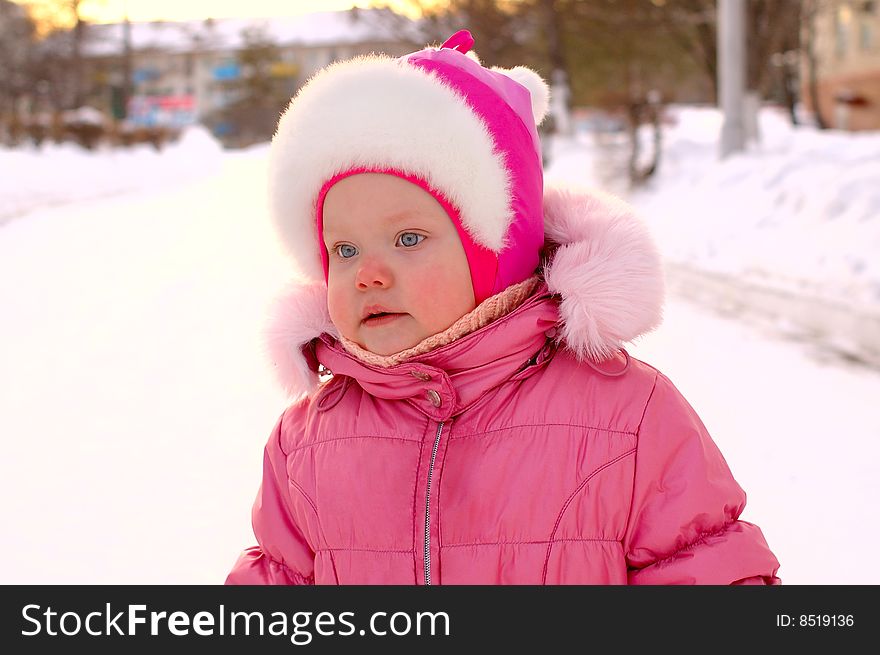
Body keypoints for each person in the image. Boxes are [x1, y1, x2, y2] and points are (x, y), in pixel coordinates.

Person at [225, 30, 780, 585]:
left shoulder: (627, 419)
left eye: (409, 239)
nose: (368, 273)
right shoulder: (308, 442)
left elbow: (709, 570)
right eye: (344, 250)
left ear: (494, 250)